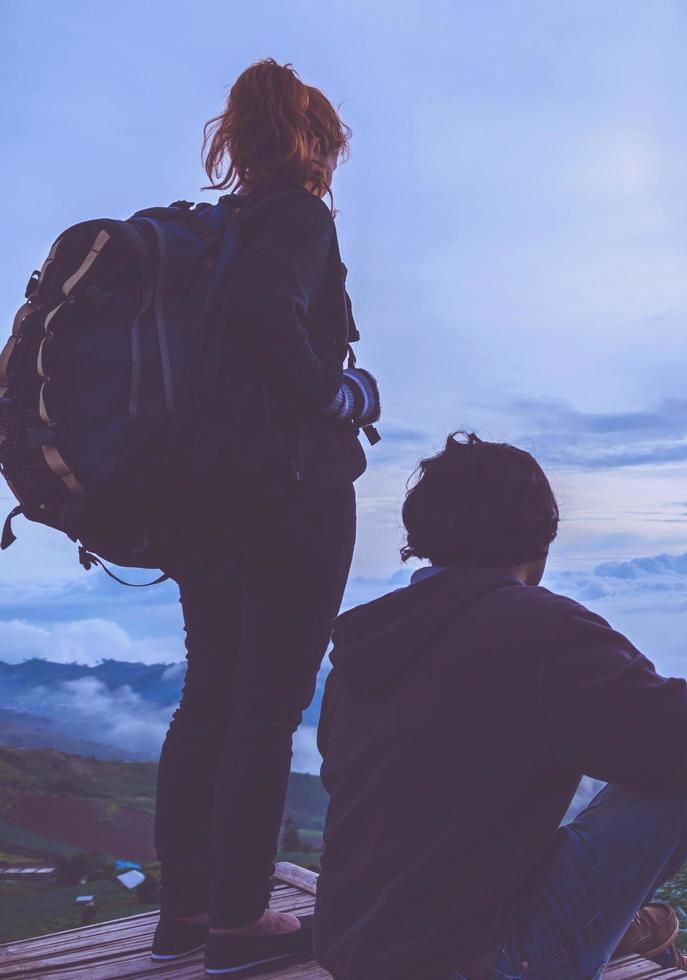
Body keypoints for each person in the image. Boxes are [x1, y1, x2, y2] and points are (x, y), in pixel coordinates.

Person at [314, 434, 687, 980]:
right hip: (478, 964)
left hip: (351, 949)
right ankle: (613, 934)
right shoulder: (547, 632)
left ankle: (623, 931)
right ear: (542, 534)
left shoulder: (369, 640)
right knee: (685, 769)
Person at [150, 59, 381, 975]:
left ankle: (188, 913)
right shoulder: (296, 218)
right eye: (329, 143)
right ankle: (240, 923)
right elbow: (266, 322)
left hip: (200, 505)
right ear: (313, 141)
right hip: (288, 499)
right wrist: (342, 396)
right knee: (264, 709)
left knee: (208, 696)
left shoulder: (220, 231)